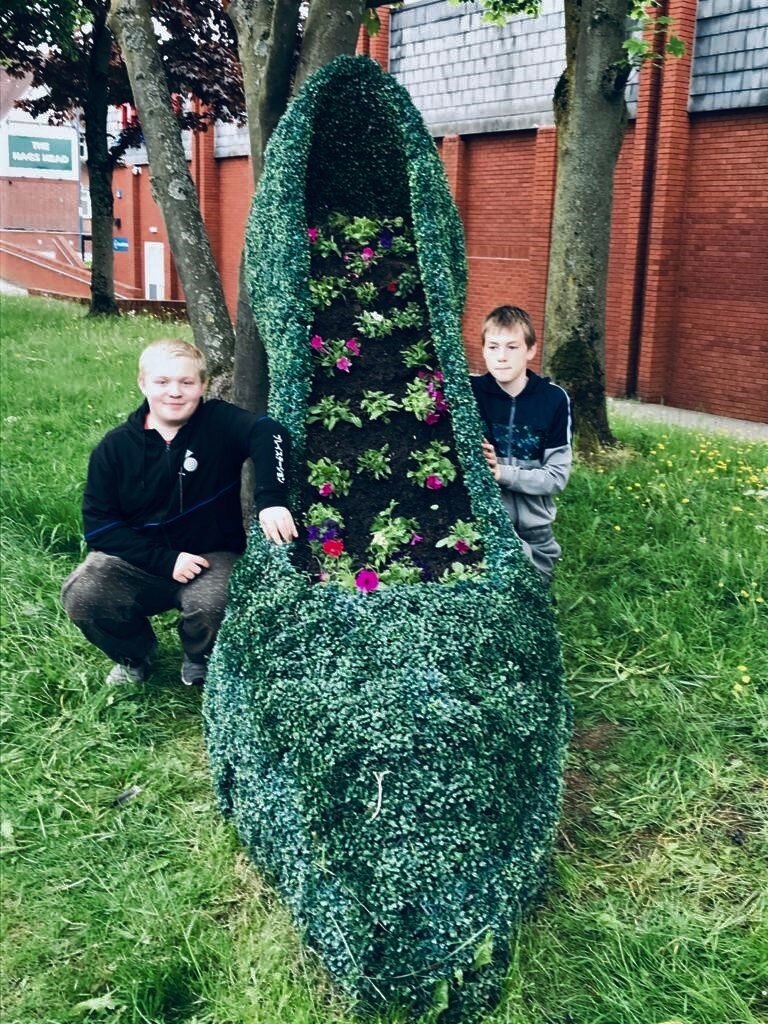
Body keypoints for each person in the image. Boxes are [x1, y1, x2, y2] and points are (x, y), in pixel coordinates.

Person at [61, 338, 297, 686]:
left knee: (214, 602)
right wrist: (165, 561)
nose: (175, 392)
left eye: (186, 383)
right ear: (143, 384)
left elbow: (270, 432)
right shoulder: (113, 448)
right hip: (138, 559)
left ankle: (199, 655)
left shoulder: (218, 421)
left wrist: (272, 499)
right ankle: (134, 656)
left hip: (211, 555)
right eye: (162, 382)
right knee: (83, 594)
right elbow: (99, 527)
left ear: (202, 386)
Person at [471, 305, 572, 584]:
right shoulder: (471, 394)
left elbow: (557, 477)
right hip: (489, 526)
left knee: (530, 592)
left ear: (530, 350)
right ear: (483, 350)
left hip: (537, 533)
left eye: (512, 347)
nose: (501, 357)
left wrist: (501, 473)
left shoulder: (553, 400)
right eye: (493, 347)